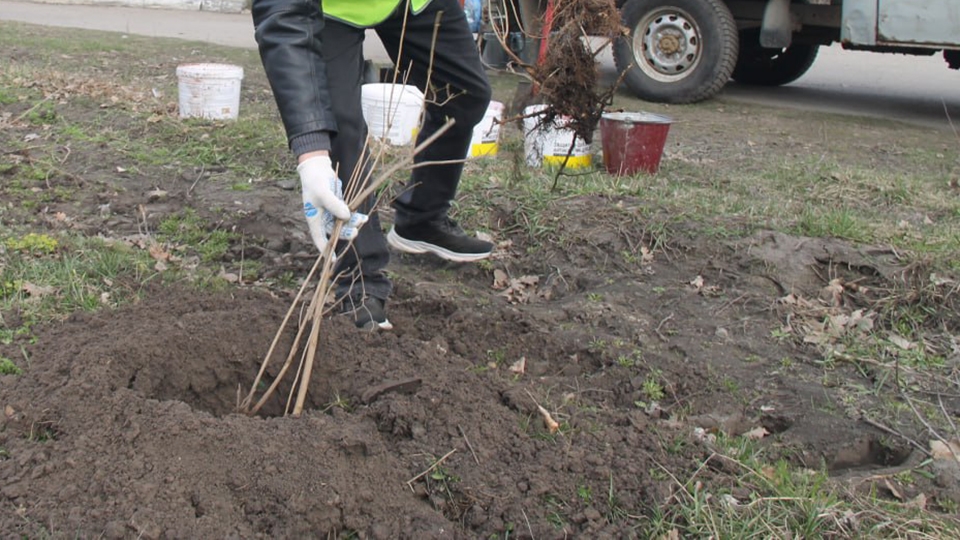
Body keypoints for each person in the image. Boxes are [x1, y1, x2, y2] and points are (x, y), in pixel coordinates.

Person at [252, 0, 494, 330]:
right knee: (342, 132)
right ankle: (359, 283)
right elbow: (283, 15)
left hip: (415, 4)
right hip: (333, 10)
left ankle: (421, 219)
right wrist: (312, 150)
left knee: (463, 94)